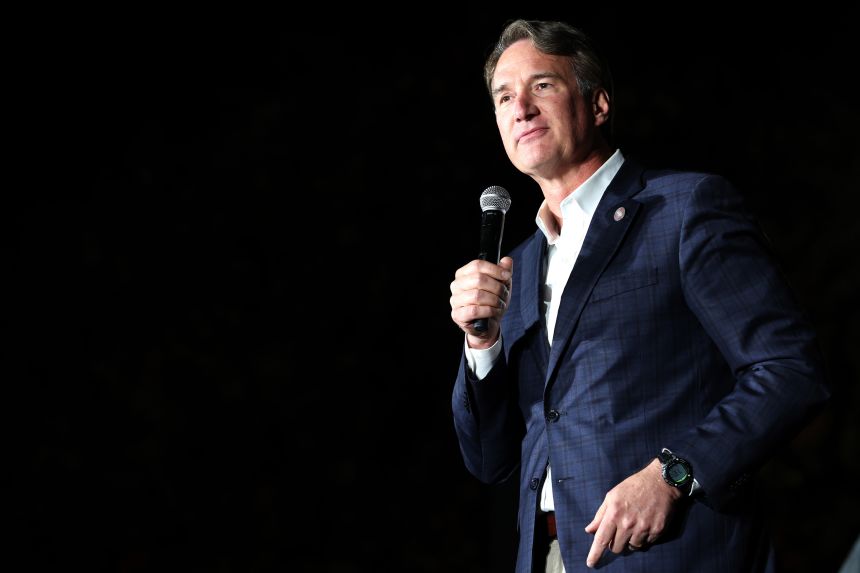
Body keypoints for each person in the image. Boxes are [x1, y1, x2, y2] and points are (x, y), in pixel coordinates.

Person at [448, 18, 830, 572]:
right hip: (550, 556)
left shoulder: (682, 210)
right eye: (504, 96)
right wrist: (481, 344)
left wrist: (675, 473)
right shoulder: (520, 265)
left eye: (543, 86)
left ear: (598, 104)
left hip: (674, 552)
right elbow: (490, 459)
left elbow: (790, 370)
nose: (520, 107)